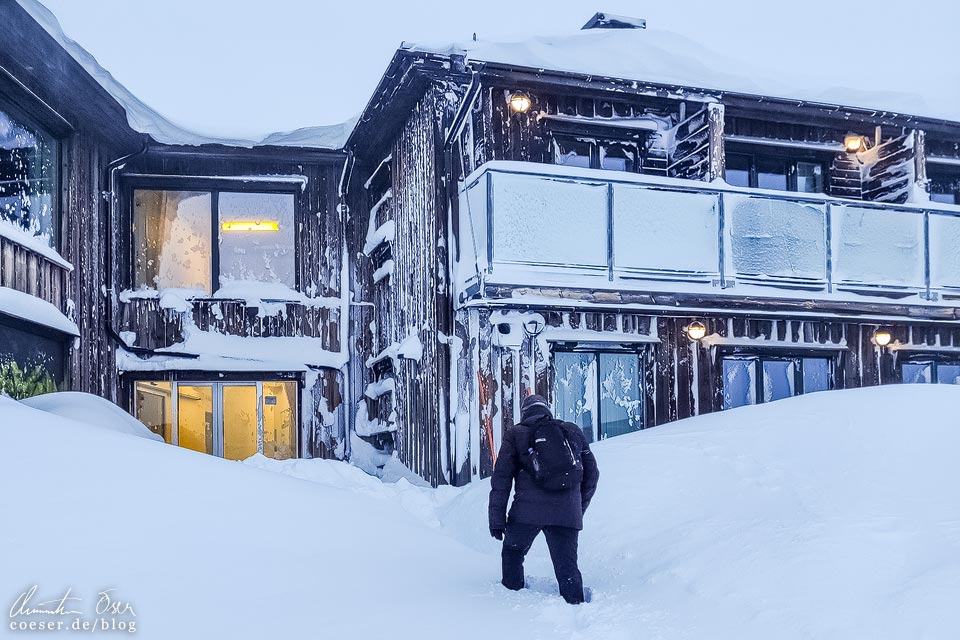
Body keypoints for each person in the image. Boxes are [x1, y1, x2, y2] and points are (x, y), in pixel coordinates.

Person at [488, 394, 600, 604]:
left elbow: (501, 480)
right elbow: (592, 474)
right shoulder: (572, 431)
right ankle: (575, 606)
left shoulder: (516, 434)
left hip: (526, 514)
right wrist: (578, 508)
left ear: (525, 413)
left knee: (513, 554)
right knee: (567, 566)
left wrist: (496, 519)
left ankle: (510, 602)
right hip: (567, 514)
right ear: (547, 410)